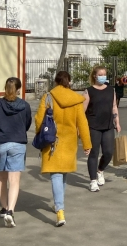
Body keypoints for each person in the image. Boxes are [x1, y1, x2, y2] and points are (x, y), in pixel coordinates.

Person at [35, 71, 91, 227]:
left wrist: (39, 133)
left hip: (52, 142)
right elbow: (83, 123)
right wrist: (87, 144)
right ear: (69, 82)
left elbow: (39, 120)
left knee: (56, 175)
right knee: (63, 174)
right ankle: (59, 205)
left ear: (56, 81)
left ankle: (60, 210)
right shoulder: (76, 100)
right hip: (69, 143)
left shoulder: (48, 97)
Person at [0, 77, 31, 227]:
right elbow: (27, 124)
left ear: (5, 87)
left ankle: (3, 208)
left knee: (1, 178)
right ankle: (10, 211)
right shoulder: (25, 106)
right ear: (18, 89)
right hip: (18, 144)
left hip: (0, 144)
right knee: (14, 180)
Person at [83, 66, 121, 192]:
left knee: (109, 152)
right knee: (93, 153)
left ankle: (100, 170)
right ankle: (93, 180)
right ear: (95, 76)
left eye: (104, 74)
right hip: (93, 125)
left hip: (108, 125)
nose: (102, 76)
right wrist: (81, 128)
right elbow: (82, 111)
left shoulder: (111, 90)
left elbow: (114, 107)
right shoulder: (88, 91)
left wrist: (117, 122)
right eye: (100, 74)